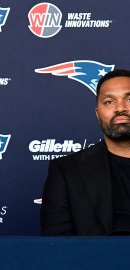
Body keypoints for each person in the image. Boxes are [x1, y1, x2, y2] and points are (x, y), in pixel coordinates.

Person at [41, 69, 130, 236]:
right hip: (95, 261)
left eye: (129, 99)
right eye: (109, 102)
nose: (120, 108)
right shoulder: (66, 171)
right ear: (97, 114)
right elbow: (57, 242)